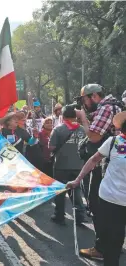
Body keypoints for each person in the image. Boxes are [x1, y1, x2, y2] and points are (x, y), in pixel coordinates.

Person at [66, 111, 126, 266]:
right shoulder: (114, 142)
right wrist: (77, 180)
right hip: (110, 200)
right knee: (113, 242)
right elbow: (93, 160)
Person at [74, 84, 123, 260]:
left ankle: (102, 247)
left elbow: (94, 136)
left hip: (104, 167)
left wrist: (84, 120)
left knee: (97, 204)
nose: (84, 104)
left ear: (93, 96)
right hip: (113, 165)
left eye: (84, 100)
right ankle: (112, 243)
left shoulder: (106, 108)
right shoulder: (115, 106)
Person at [48, 105, 86, 225]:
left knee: (60, 191)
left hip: (61, 165)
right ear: (75, 117)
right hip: (78, 165)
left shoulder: (58, 130)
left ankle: (59, 215)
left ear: (63, 117)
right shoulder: (83, 129)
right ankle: (80, 216)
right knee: (77, 191)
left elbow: (51, 147)